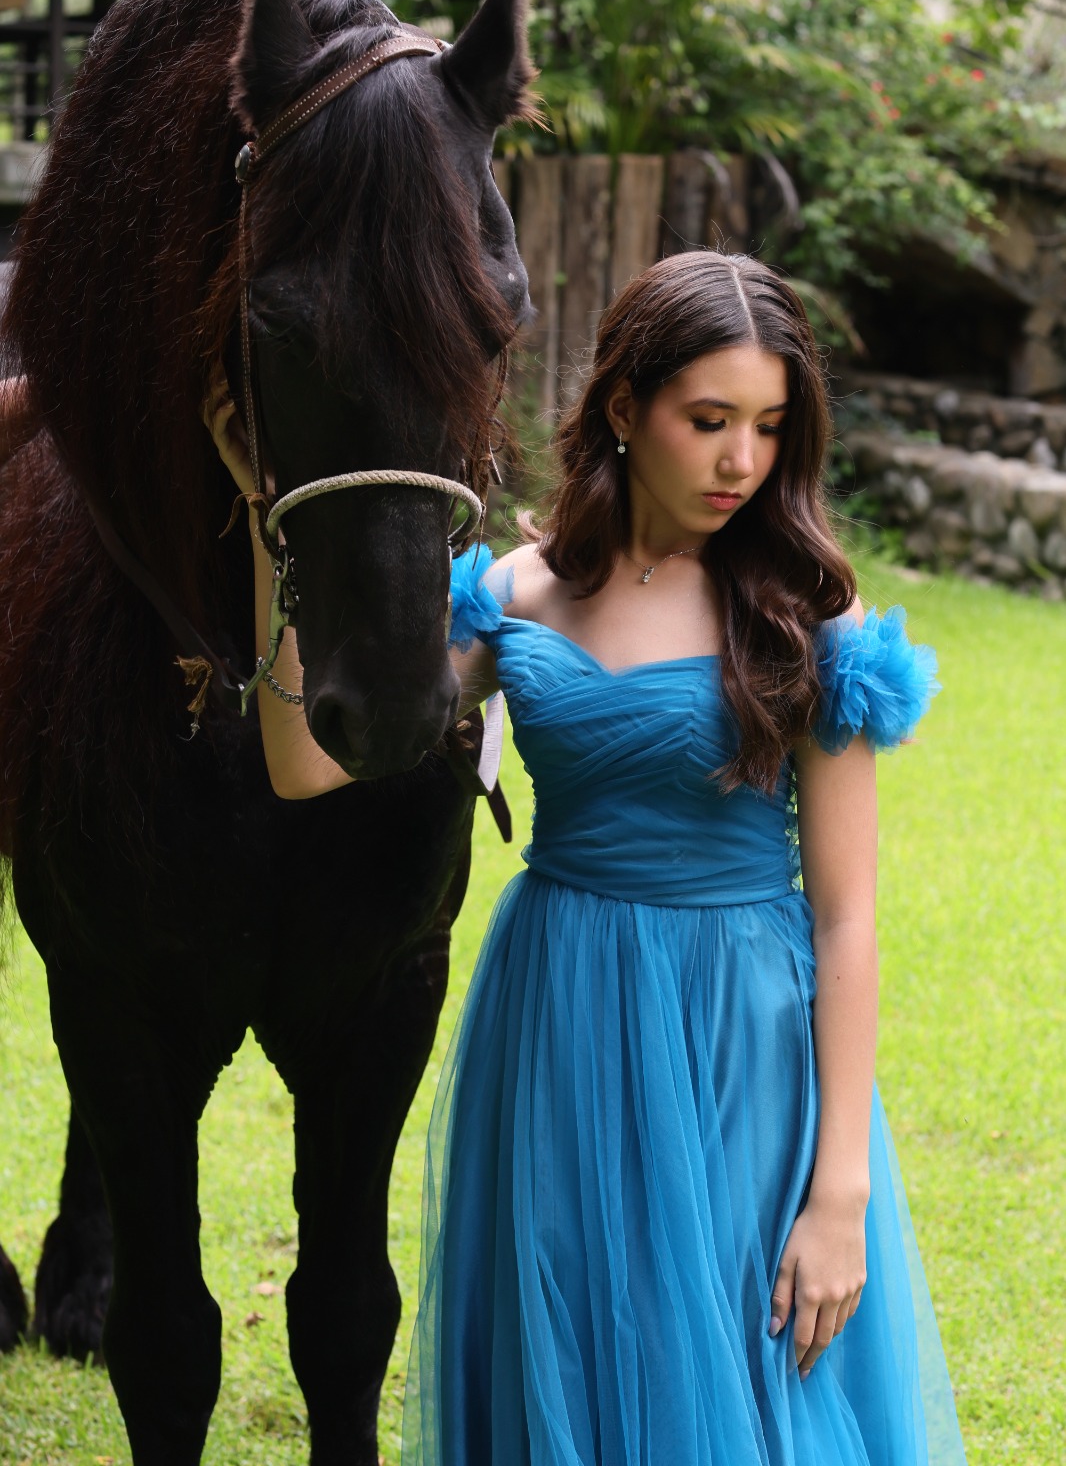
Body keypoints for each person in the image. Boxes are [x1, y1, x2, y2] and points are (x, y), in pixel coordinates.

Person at [209, 250, 967, 1466]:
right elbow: (304, 762)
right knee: (564, 1343)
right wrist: (271, 520)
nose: (741, 461)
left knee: (727, 1365)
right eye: (708, 420)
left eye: (770, 426)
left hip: (735, 1037)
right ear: (624, 406)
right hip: (555, 1010)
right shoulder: (515, 592)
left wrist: (840, 1193)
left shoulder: (804, 615)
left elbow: (845, 918)